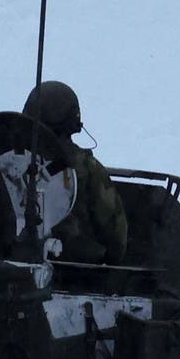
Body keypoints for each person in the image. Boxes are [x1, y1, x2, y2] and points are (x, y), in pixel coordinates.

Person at [21, 79, 129, 266]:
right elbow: (115, 237)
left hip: (3, 265)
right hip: (75, 272)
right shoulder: (87, 168)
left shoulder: (5, 160)